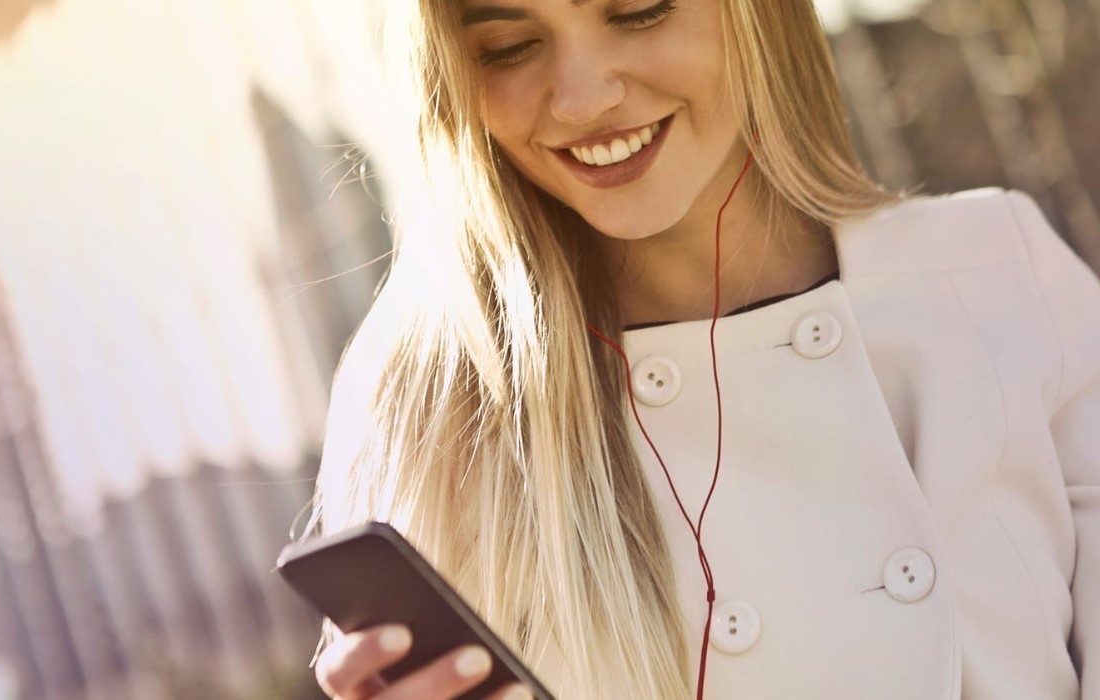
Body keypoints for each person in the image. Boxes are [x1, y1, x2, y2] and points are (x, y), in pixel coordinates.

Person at [302, 0, 1100, 698]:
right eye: (508, 47)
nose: (584, 97)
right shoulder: (423, 402)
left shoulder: (996, 272)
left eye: (641, 11)